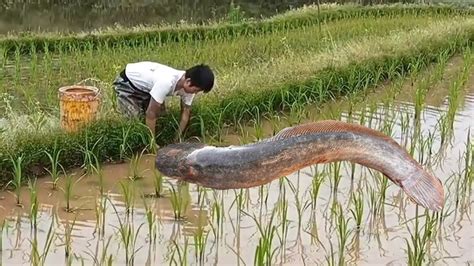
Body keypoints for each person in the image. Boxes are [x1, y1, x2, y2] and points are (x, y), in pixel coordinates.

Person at [112, 61, 214, 139]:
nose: (195, 93)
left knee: (161, 118)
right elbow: (151, 114)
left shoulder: (189, 87)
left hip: (148, 87)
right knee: (134, 124)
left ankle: (153, 138)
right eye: (196, 90)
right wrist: (152, 144)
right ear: (188, 81)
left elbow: (185, 113)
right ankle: (142, 143)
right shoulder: (166, 82)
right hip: (128, 83)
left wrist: (177, 138)